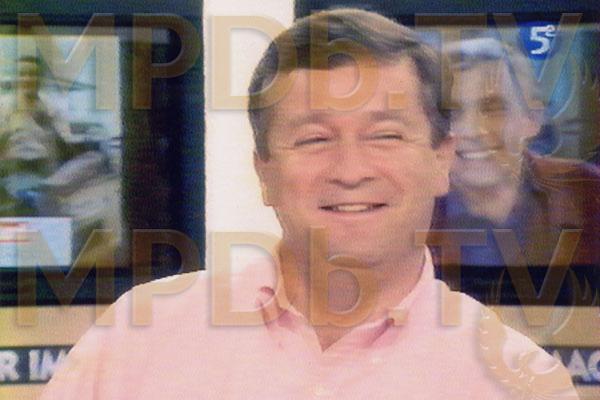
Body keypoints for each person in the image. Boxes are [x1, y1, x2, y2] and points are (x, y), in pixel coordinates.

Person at [40, 9, 579, 399]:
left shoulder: (518, 381)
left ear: (442, 160)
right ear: (264, 173)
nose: (350, 170)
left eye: (386, 135)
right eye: (314, 139)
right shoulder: (137, 339)